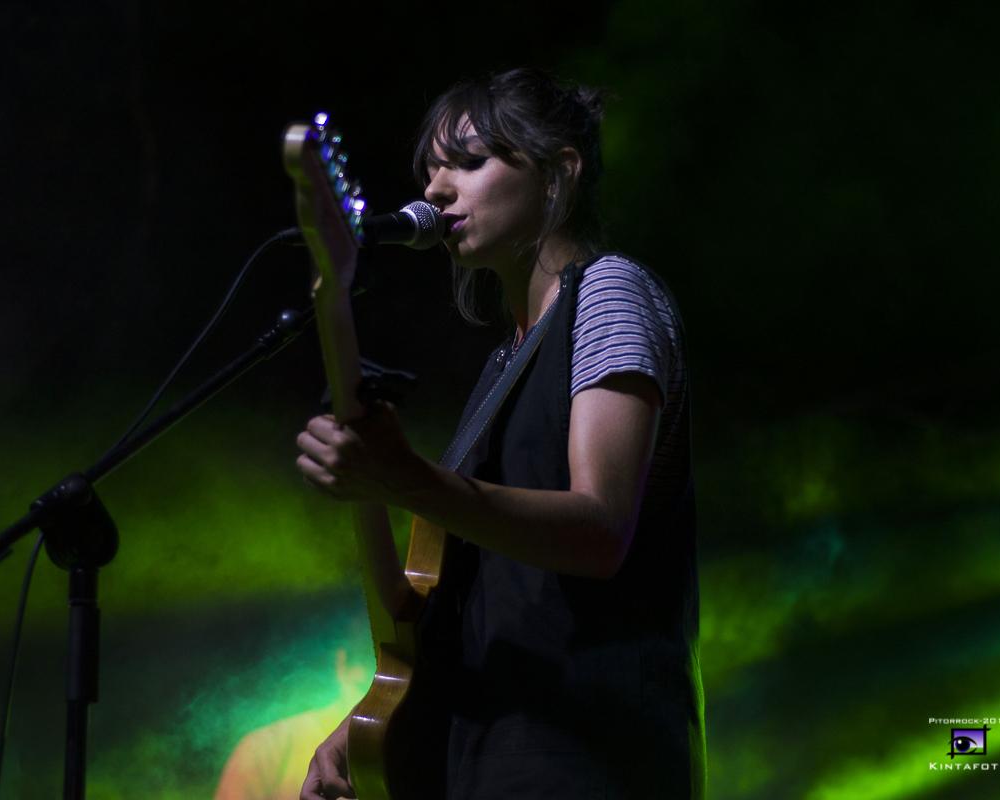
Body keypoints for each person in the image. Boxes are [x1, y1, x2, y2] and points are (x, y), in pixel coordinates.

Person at [294, 67, 705, 800]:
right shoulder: (504, 364)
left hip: (589, 759)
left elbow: (599, 531)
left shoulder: (606, 291)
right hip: (484, 760)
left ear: (558, 172)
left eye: (468, 162)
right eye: (429, 171)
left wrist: (406, 478)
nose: (434, 191)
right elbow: (427, 610)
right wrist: (369, 716)